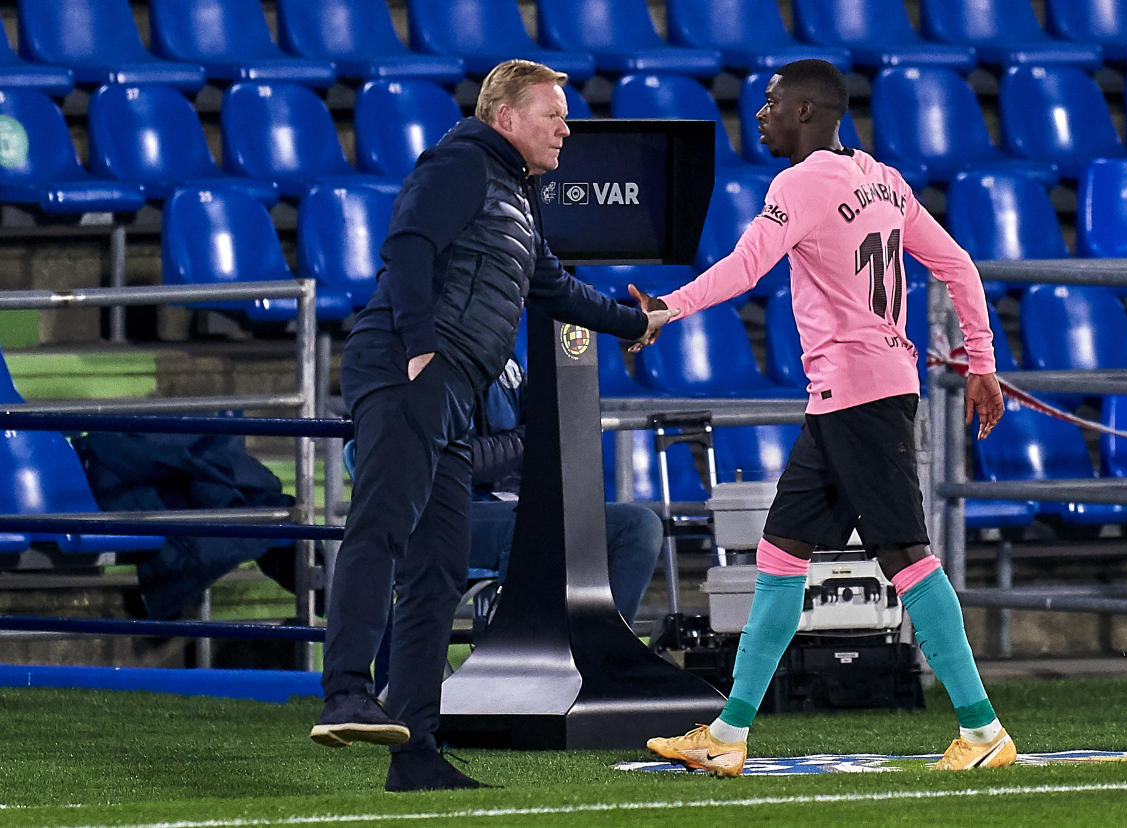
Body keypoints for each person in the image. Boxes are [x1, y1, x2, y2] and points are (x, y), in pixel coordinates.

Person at [310, 59, 677, 793]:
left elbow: (554, 288)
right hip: (411, 369)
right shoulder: (459, 163)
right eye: (554, 115)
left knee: (438, 569)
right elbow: (408, 247)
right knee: (382, 523)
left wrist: (637, 320)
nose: (567, 128)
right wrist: (418, 347)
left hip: (454, 392)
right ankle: (347, 689)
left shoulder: (516, 195)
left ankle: (415, 749)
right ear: (506, 117)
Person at [640, 59, 1011, 777]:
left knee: (905, 556)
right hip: (851, 397)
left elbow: (746, 268)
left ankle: (982, 727)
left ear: (808, 111)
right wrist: (982, 359)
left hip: (860, 397)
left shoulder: (799, 184)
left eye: (772, 102)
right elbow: (960, 264)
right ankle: (728, 733)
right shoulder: (883, 179)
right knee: (781, 557)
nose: (761, 115)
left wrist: (664, 308)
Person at [469, 357, 663, 628]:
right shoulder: (431, 355)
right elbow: (452, 461)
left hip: (517, 503)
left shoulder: (504, 359)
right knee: (546, 527)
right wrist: (537, 437)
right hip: (452, 513)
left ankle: (599, 652)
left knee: (639, 525)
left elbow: (555, 428)